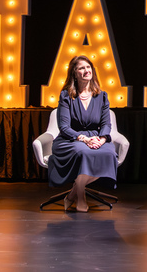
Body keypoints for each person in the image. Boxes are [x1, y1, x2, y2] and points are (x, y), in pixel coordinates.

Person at [47, 55, 119, 212]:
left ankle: (72, 194)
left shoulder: (102, 95)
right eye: (81, 68)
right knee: (83, 152)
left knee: (109, 154)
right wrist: (84, 139)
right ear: (74, 73)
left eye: (88, 67)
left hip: (96, 138)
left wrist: (101, 139)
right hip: (71, 139)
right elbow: (64, 127)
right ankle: (81, 197)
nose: (86, 71)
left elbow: (106, 123)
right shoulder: (66, 96)